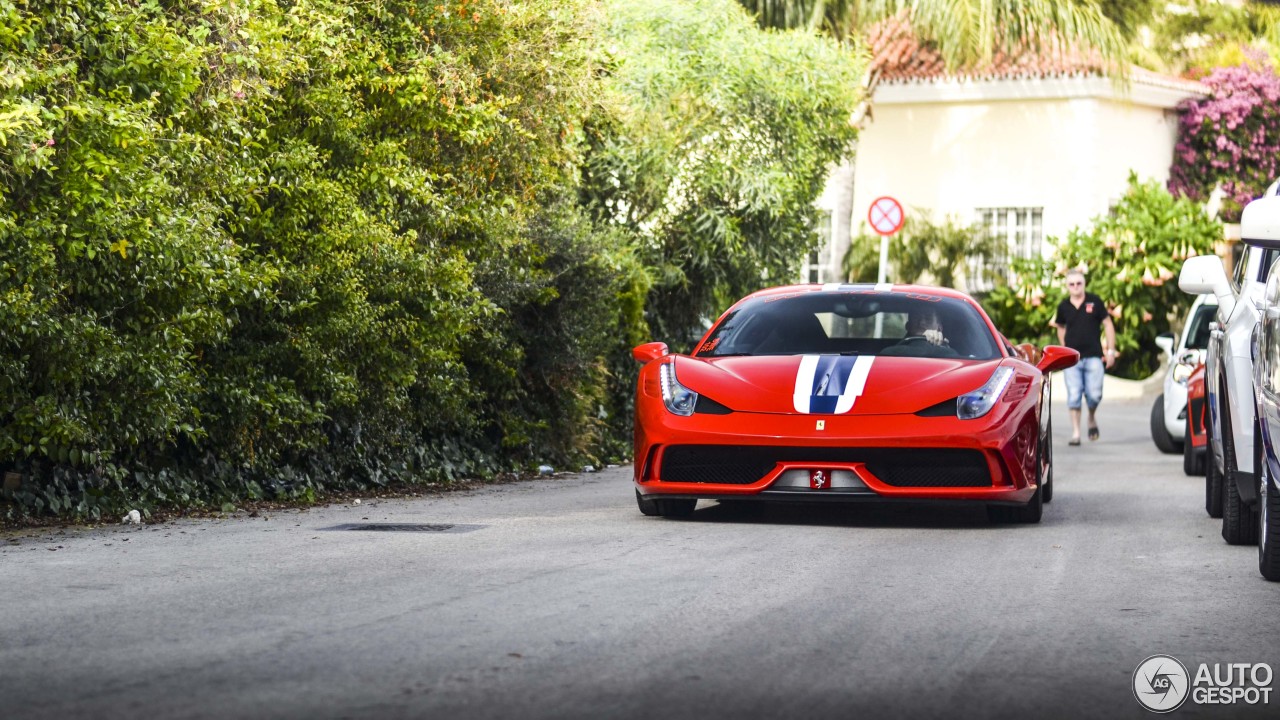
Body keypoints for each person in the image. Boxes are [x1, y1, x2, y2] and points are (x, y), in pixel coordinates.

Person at [1054, 269, 1117, 445]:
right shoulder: (1063, 306)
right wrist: (1065, 348)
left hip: (1094, 356)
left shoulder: (1094, 302)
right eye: (1071, 284)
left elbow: (1108, 324)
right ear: (1067, 286)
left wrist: (1110, 351)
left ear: (1084, 284)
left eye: (1078, 283)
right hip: (1072, 359)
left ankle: (1091, 417)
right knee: (1073, 395)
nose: (1075, 287)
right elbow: (1060, 327)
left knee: (1095, 395)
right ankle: (1076, 433)